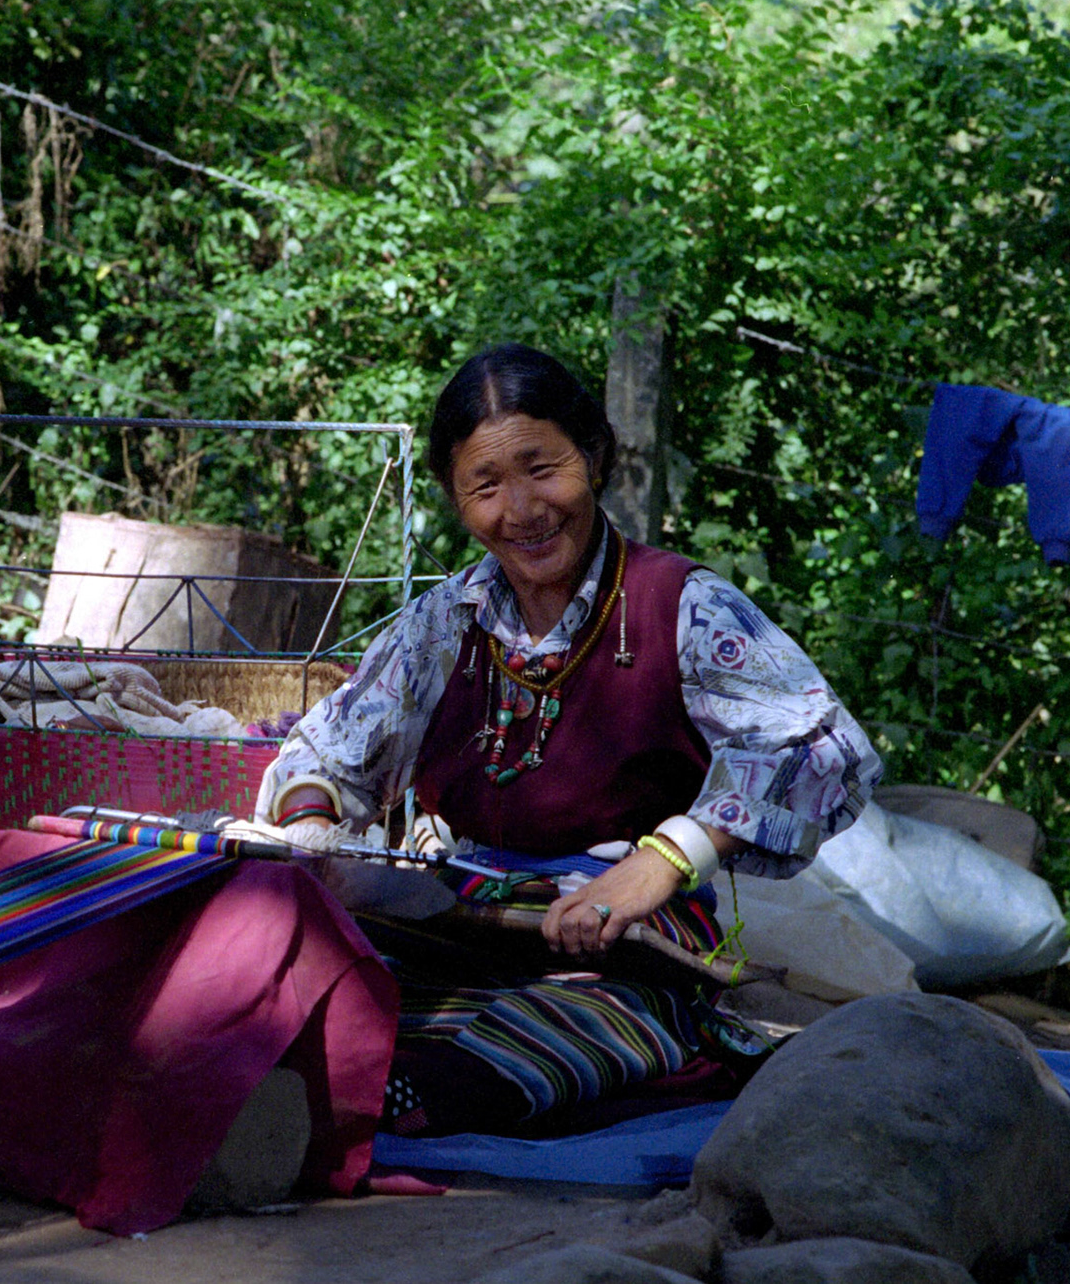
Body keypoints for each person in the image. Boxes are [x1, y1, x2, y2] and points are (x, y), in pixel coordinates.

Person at [255, 342, 881, 1138]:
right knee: (293, 985)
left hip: (623, 947)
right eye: (486, 486)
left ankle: (371, 1103)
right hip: (459, 926)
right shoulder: (443, 623)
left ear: (592, 454)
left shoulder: (682, 606)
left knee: (559, 1034)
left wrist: (668, 858)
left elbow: (820, 746)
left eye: (542, 468)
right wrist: (314, 833)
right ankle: (329, 1088)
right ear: (456, 501)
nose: (521, 509)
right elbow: (325, 751)